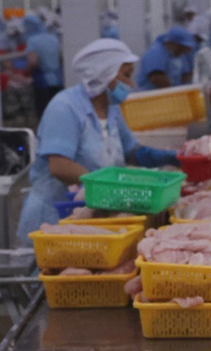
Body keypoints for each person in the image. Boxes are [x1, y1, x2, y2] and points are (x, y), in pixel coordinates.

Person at [16, 39, 180, 246]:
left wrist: (172, 157)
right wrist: (110, 186)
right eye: (126, 75)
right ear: (105, 74)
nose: (130, 84)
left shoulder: (111, 108)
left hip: (97, 214)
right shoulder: (65, 107)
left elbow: (132, 152)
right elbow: (59, 166)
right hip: (55, 218)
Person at [23, 13, 63, 119]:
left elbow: (33, 61)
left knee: (43, 112)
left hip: (42, 81)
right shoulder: (53, 38)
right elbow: (60, 57)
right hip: (58, 79)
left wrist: (26, 72)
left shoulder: (32, 40)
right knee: (56, 110)